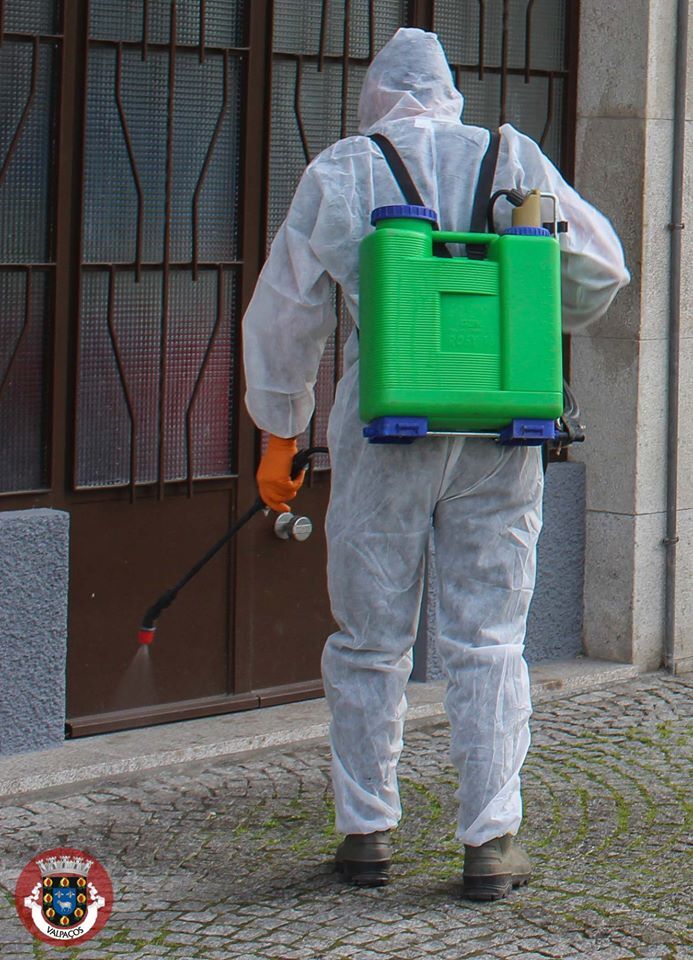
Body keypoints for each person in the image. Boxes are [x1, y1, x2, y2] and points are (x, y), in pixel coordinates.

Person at [242, 27, 629, 899]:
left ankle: (365, 834)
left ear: (375, 95)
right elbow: (601, 272)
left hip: (388, 429)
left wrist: (280, 432)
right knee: (488, 640)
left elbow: (285, 315)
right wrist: (525, 294)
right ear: (450, 92)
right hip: (499, 427)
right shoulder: (509, 158)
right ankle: (490, 844)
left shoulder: (344, 169)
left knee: (369, 639)